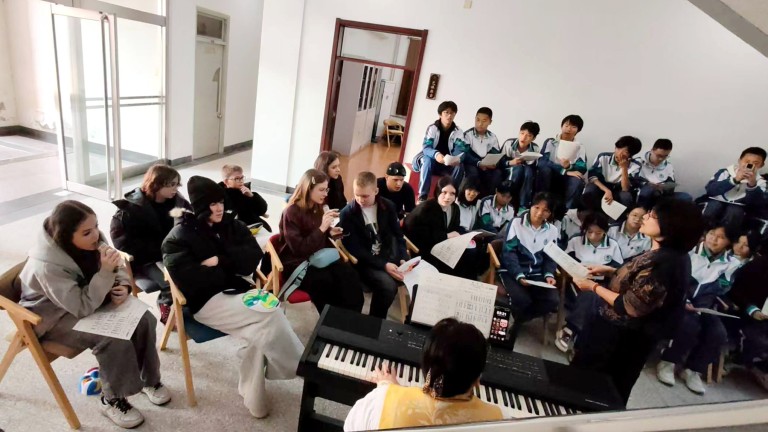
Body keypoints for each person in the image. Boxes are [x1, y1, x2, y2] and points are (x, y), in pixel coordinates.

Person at [161, 176, 303, 418]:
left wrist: (219, 260)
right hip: (207, 302)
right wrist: (230, 266)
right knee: (271, 312)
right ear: (199, 206)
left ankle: (255, 400)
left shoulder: (233, 225)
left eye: (220, 202)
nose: (219, 208)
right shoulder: (177, 238)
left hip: (238, 290)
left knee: (263, 328)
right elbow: (193, 283)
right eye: (211, 204)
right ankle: (301, 364)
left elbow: (251, 259)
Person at [21, 200, 170, 429]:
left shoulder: (93, 237)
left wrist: (123, 286)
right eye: (87, 232)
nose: (96, 235)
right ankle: (112, 398)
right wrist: (106, 273)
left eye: (96, 226)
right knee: (113, 338)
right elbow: (81, 307)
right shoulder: (46, 266)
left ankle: (148, 379)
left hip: (90, 296)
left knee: (144, 319)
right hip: (52, 315)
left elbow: (117, 265)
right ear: (65, 236)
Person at [568, 198, 704, 404]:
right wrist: (611, 271)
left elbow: (630, 306)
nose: (645, 217)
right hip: (616, 334)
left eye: (652, 216)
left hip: (620, 341)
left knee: (593, 393)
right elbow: (640, 280)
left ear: (669, 226)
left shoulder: (665, 262)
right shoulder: (666, 253)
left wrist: (593, 287)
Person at [344, 318, 502, 431]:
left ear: (425, 368)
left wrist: (390, 391)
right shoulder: (500, 421)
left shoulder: (379, 401)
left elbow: (350, 426)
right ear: (477, 379)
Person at [656, 224, 741, 395]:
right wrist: (685, 300)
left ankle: (693, 370)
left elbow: (722, 288)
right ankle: (668, 362)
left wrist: (704, 304)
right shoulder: (689, 251)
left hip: (705, 305)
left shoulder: (732, 264)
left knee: (719, 333)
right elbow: (674, 279)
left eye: (720, 237)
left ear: (729, 243)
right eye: (711, 233)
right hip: (679, 300)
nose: (714, 239)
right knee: (689, 325)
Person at [110, 164, 190, 325]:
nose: (176, 188)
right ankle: (166, 305)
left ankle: (189, 308)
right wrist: (160, 249)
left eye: (177, 184)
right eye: (171, 184)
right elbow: (122, 243)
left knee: (196, 272)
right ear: (156, 184)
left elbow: (189, 223)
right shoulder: (130, 209)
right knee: (172, 282)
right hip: (147, 260)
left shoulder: (178, 203)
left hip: (174, 253)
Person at [277, 169, 365, 313]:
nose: (325, 194)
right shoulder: (291, 212)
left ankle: (351, 319)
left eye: (326, 189)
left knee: (350, 276)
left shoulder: (317, 207)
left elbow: (316, 231)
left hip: (318, 256)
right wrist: (323, 228)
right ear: (308, 189)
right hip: (299, 263)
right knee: (325, 282)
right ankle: (330, 320)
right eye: (321, 190)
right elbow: (299, 249)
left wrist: (330, 231)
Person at [339, 171, 409, 318]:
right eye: (357, 195)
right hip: (365, 262)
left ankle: (376, 320)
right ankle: (375, 321)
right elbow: (355, 249)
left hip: (388, 255)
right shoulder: (348, 213)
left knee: (408, 278)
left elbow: (398, 235)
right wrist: (384, 265)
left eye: (365, 196)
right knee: (388, 286)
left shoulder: (388, 206)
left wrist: (403, 258)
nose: (360, 200)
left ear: (376, 191)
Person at [556, 212, 624, 353]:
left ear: (605, 231)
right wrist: (576, 271)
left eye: (598, 233)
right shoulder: (576, 240)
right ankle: (575, 335)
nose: (593, 236)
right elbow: (564, 262)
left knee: (596, 298)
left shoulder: (613, 245)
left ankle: (572, 331)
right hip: (576, 283)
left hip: (602, 284)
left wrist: (605, 270)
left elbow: (618, 271)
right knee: (591, 297)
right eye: (590, 232)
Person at [404, 176, 487, 280]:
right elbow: (421, 236)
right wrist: (446, 236)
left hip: (445, 246)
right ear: (438, 191)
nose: (448, 197)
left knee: (470, 254)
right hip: (424, 248)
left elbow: (455, 228)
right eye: (444, 192)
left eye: (452, 193)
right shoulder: (426, 208)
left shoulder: (455, 208)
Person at [498, 192, 560, 324]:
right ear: (530, 206)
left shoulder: (552, 230)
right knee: (522, 300)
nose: (539, 213)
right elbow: (509, 252)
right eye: (537, 208)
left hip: (537, 275)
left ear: (550, 213)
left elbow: (551, 257)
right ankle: (517, 321)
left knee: (553, 300)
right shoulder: (516, 223)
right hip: (512, 272)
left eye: (545, 210)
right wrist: (519, 274)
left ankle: (519, 321)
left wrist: (549, 274)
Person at [729, 239, 768, 390]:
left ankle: (761, 366)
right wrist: (752, 309)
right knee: (760, 340)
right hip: (748, 315)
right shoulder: (758, 266)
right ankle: (747, 360)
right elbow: (735, 291)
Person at [700, 147, 767, 233]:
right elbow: (710, 190)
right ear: (739, 160)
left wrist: (752, 185)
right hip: (716, 201)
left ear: (761, 165)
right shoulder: (725, 172)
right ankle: (702, 233)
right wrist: (734, 180)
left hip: (739, 207)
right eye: (747, 161)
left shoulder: (761, 182)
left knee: (734, 211)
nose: (750, 165)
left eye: (755, 163)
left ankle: (726, 237)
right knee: (714, 206)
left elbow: (757, 204)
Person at [412, 101, 469, 201]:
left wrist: (456, 159)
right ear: (440, 114)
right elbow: (426, 147)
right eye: (446, 112)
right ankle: (423, 196)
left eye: (452, 113)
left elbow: (460, 149)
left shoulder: (458, 131)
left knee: (459, 166)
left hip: (447, 163)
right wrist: (436, 155)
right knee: (428, 160)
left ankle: (451, 195)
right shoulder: (432, 128)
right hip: (432, 160)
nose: (449, 116)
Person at [534, 114, 588, 212]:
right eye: (566, 125)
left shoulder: (579, 146)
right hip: (551, 174)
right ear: (561, 126)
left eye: (573, 127)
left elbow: (582, 168)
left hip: (567, 178)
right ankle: (540, 203)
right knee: (544, 170)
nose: (569, 129)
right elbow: (542, 161)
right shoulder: (551, 142)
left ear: (578, 130)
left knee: (577, 180)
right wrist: (564, 170)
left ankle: (568, 212)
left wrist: (569, 166)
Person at [583, 135, 642, 212]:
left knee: (626, 196)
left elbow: (625, 188)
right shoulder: (603, 157)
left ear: (630, 155)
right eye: (618, 148)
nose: (619, 153)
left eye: (625, 152)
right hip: (602, 186)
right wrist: (607, 190)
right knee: (590, 189)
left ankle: (620, 218)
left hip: (618, 190)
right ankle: (587, 213)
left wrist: (624, 168)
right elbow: (592, 177)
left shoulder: (635, 166)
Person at [634, 139, 692, 208]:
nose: (661, 159)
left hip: (660, 194)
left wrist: (663, 187)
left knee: (686, 197)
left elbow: (671, 184)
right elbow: (633, 180)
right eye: (659, 155)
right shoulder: (638, 161)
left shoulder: (668, 166)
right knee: (649, 190)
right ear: (652, 150)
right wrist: (647, 184)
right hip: (642, 192)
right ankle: (642, 211)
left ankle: (660, 211)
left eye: (665, 156)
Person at [218, 164, 272, 231]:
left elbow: (262, 211)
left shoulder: (245, 191)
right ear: (226, 181)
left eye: (242, 178)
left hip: (255, 226)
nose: (241, 181)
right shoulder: (219, 196)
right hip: (237, 230)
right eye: (237, 179)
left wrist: (252, 196)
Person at [501, 121, 540, 211]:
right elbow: (499, 161)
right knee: (518, 169)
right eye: (522, 133)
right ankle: (507, 201)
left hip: (525, 171)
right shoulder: (509, 143)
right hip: (508, 169)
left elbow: (534, 166)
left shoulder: (535, 148)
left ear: (533, 138)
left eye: (529, 135)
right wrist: (511, 162)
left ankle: (523, 205)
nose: (524, 137)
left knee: (528, 171)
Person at [462, 107, 502, 195]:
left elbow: (496, 154)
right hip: (472, 164)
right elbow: (466, 154)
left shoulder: (492, 137)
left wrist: (491, 163)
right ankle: (469, 198)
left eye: (484, 121)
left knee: (497, 173)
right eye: (478, 120)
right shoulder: (467, 135)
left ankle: (489, 199)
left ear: (490, 122)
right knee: (473, 172)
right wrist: (479, 163)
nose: (480, 123)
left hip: (486, 165)